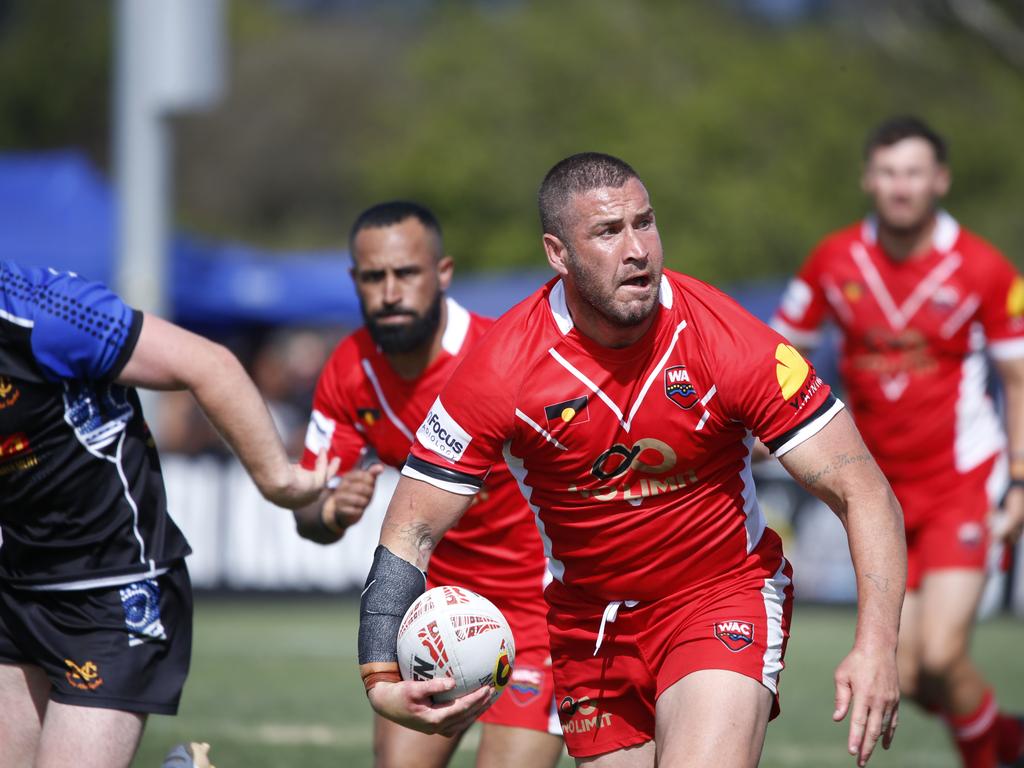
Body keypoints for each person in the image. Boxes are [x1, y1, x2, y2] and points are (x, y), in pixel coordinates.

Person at [356, 153, 907, 768]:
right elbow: (412, 526)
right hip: (587, 628)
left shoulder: (729, 341)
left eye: (644, 223)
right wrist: (380, 677)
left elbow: (865, 491)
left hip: (718, 598)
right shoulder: (500, 369)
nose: (638, 248)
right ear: (557, 253)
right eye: (607, 232)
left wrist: (877, 646)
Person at [0, 260, 336, 768]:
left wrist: (280, 481)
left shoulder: (39, 309)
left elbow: (207, 364)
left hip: (111, 590)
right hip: (13, 586)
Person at [772, 115, 1024, 768]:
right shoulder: (834, 260)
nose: (901, 187)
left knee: (939, 654)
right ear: (868, 179)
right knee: (906, 673)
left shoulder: (983, 268)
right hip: (879, 491)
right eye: (887, 172)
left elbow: (1017, 378)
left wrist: (1020, 477)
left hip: (964, 483)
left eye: (913, 172)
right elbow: (779, 349)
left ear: (938, 180)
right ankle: (1007, 738)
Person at [293, 201, 564, 768]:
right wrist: (331, 510)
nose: (390, 291)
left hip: (542, 614)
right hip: (429, 614)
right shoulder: (348, 372)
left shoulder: (503, 355)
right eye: (373, 277)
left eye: (406, 273)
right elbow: (307, 516)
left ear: (442, 273)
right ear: (355, 282)